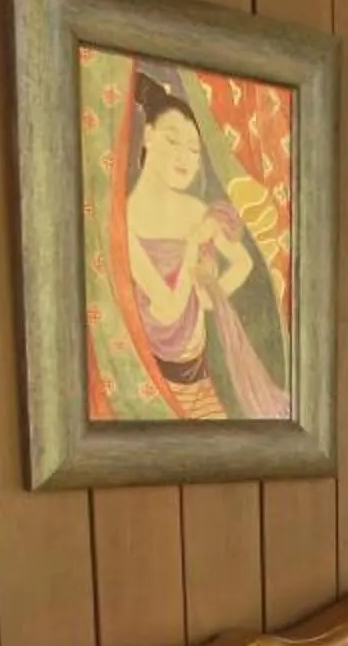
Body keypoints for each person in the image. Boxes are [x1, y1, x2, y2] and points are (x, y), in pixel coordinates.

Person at [119, 70, 286, 419]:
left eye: (194, 149)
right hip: (156, 379)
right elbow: (166, 308)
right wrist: (193, 247)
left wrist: (211, 292)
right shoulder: (125, 222)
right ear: (148, 135)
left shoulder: (195, 209)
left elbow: (243, 263)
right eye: (173, 140)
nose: (185, 157)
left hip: (202, 375)